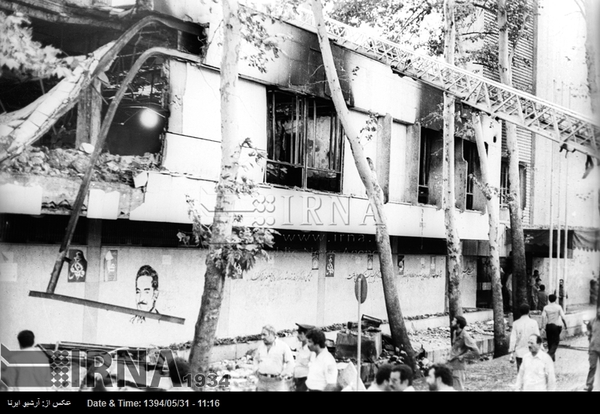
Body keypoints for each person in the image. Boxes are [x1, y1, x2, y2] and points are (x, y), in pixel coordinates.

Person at [253, 325, 294, 391]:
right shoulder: (261, 347)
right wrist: (256, 370)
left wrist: (283, 374)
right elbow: (255, 359)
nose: (262, 337)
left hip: (276, 383)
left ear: (272, 334)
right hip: (261, 382)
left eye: (264, 335)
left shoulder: (283, 346)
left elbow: (290, 362)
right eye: (261, 335)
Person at [446, 315, 480, 390]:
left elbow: (476, 352)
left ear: (458, 324)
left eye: (454, 321)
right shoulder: (455, 333)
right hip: (451, 364)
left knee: (458, 388)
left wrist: (463, 356)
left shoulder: (465, 336)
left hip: (458, 367)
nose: (452, 322)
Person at [509, 304, 540, 371]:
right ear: (529, 311)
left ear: (520, 312)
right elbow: (537, 337)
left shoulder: (515, 323)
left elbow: (513, 339)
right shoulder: (534, 323)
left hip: (519, 352)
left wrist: (512, 350)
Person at [541, 294, 568, 361]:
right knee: (556, 341)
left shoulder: (546, 307)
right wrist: (565, 326)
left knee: (550, 341)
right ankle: (549, 354)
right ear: (555, 299)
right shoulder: (558, 307)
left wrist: (543, 327)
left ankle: (552, 358)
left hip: (548, 326)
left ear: (549, 299)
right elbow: (563, 317)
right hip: (556, 326)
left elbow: (543, 317)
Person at [292, 323, 315, 392]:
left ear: (307, 335)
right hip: (296, 378)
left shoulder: (311, 349)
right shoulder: (299, 346)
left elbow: (312, 366)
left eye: (300, 333)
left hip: (305, 379)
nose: (298, 336)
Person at [585, 308, 600, 392]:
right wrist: (589, 334)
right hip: (593, 348)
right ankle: (589, 384)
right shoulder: (592, 321)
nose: (599, 313)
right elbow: (588, 329)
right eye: (598, 312)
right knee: (592, 367)